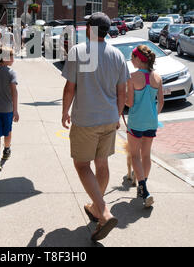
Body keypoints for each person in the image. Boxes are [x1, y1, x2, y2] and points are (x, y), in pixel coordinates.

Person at [62, 12, 129, 241]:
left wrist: (64, 112)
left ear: (90, 28)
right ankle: (94, 207)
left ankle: (103, 212)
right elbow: (123, 92)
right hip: (110, 118)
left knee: (82, 165)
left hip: (86, 119)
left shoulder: (79, 51)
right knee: (102, 163)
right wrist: (117, 115)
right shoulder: (118, 55)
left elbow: (70, 88)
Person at [125, 44, 164, 208]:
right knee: (146, 155)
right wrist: (153, 114)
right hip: (151, 122)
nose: (131, 60)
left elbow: (130, 102)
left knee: (135, 155)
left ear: (138, 59)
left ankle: (144, 189)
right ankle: (143, 185)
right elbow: (161, 103)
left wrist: (120, 98)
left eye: (132, 57)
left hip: (136, 122)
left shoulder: (132, 77)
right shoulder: (158, 77)